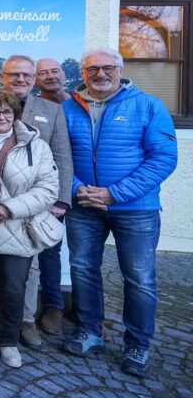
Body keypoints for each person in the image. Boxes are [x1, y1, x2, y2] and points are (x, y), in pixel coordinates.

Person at [63, 48, 177, 377]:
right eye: (92, 69)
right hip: (84, 204)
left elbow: (164, 158)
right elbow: (58, 155)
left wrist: (115, 194)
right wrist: (78, 189)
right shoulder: (69, 108)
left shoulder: (148, 106)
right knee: (83, 269)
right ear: (82, 73)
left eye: (108, 68)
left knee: (139, 278)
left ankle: (137, 345)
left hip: (135, 208)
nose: (100, 74)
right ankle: (90, 331)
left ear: (120, 70)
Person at [0, 55, 74, 346]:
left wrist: (60, 201)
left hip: (29, 205)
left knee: (27, 268)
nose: (20, 80)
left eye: (27, 76)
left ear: (34, 79)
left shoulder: (52, 110)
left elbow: (62, 156)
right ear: (1, 76)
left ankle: (25, 320)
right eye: (14, 74)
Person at [0, 89, 59, 368]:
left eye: (7, 111)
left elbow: (47, 188)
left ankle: (7, 340)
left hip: (17, 227)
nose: (1, 116)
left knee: (12, 288)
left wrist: (8, 208)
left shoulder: (35, 146)